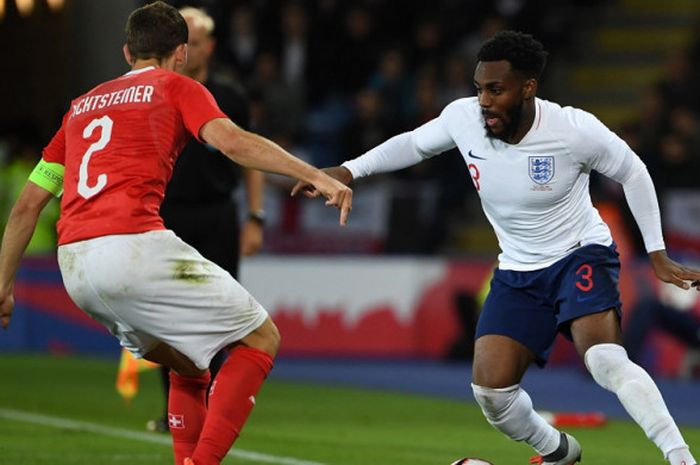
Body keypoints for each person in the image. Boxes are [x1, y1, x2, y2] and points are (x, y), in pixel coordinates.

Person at [293, 31, 699, 465]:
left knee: (605, 360)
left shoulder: (572, 129)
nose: (483, 100)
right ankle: (559, 451)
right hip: (518, 268)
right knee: (491, 393)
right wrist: (350, 170)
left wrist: (656, 252)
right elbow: (412, 144)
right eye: (479, 88)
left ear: (528, 88)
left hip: (579, 253)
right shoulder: (464, 117)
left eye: (495, 89)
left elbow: (633, 172)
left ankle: (680, 458)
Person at [0, 3, 352, 465]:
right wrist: (318, 175)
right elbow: (233, 143)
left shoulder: (80, 107)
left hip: (75, 266)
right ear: (182, 52)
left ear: (127, 52)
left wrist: (4, 285)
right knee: (261, 339)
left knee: (190, 362)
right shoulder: (177, 86)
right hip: (132, 247)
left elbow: (28, 204)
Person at [146, 5, 264, 434]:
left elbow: (250, 160)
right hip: (166, 215)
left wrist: (256, 217)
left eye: (192, 42)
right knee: (167, 317)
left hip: (216, 215)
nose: (184, 50)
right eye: (180, 43)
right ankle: (174, 411)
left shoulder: (229, 97)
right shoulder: (157, 92)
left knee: (218, 314)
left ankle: (215, 405)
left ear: (209, 47)